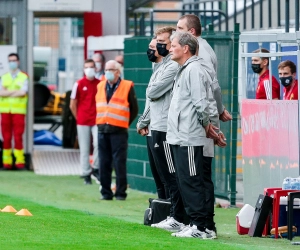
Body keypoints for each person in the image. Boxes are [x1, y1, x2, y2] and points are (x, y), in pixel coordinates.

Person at [176, 13, 229, 235]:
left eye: (179, 28)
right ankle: (203, 224)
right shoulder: (199, 52)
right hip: (201, 122)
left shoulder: (200, 54)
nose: (175, 31)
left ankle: (203, 225)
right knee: (198, 174)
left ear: (191, 33)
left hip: (199, 125)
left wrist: (216, 113)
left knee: (198, 175)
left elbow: (211, 87)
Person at [166, 31, 219, 239]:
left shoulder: (194, 69)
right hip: (180, 135)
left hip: (189, 136)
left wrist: (207, 125)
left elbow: (201, 102)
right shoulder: (185, 69)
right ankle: (198, 224)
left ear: (185, 48)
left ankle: (200, 227)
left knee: (192, 181)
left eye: (173, 45)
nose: (170, 49)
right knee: (185, 180)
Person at [96, 60, 138, 200]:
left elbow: (134, 109)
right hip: (102, 129)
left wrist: (125, 122)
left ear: (117, 72)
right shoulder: (101, 85)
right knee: (104, 163)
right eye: (106, 69)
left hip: (119, 130)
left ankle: (120, 193)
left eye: (110, 69)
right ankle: (106, 192)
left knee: (119, 163)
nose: (107, 72)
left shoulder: (127, 86)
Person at [136, 37, 169, 199]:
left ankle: (171, 212)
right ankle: (162, 210)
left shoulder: (168, 68)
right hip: (152, 126)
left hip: (161, 127)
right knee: (158, 176)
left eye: (153, 47)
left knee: (166, 176)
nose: (150, 51)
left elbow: (153, 96)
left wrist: (143, 121)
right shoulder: (156, 69)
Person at [70, 59, 100, 185]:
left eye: (91, 67)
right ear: (83, 69)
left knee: (98, 144)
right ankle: (86, 173)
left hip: (97, 119)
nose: (89, 69)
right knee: (84, 148)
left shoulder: (100, 83)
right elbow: (72, 104)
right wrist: (78, 118)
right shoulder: (79, 84)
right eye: (87, 67)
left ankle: (96, 168)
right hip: (83, 120)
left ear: (96, 68)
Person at [0, 53, 28, 170]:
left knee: (18, 136)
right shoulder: (4, 77)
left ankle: (19, 162)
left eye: (14, 60)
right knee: (6, 137)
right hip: (5, 111)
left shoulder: (24, 77)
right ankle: (6, 162)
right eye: (10, 60)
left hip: (18, 112)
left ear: (18, 62)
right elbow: (1, 93)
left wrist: (8, 92)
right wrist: (15, 92)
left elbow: (23, 92)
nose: (12, 62)